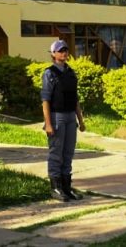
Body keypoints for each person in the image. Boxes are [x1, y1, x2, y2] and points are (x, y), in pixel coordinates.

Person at [42, 39, 85, 201]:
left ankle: (67, 187)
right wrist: (48, 124)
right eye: (60, 51)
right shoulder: (49, 73)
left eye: (66, 50)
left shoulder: (70, 72)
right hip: (57, 116)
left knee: (68, 153)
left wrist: (80, 120)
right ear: (53, 54)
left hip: (70, 116)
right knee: (56, 153)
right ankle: (55, 188)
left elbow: (75, 99)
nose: (64, 53)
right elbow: (45, 100)